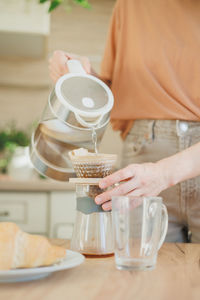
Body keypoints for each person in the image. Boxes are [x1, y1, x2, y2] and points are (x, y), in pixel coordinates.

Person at [49, 0, 200, 243]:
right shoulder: (130, 5)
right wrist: (80, 75)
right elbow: (112, 92)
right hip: (144, 158)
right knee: (140, 274)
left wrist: (164, 173)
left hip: (172, 164)